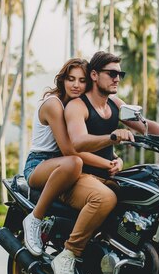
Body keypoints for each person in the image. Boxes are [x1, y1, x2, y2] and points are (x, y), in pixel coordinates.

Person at [54, 50, 159, 274]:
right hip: (80, 177)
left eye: (120, 74)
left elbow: (146, 125)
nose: (117, 78)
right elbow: (78, 141)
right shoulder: (77, 106)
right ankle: (68, 255)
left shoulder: (115, 103)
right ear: (94, 75)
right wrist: (112, 136)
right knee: (104, 199)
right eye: (112, 73)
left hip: (108, 175)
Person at [22, 58, 120, 257]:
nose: (76, 85)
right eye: (71, 79)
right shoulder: (54, 105)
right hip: (40, 164)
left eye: (82, 80)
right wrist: (107, 164)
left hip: (64, 165)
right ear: (62, 80)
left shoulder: (79, 106)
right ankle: (35, 218)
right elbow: (70, 150)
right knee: (74, 162)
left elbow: (90, 144)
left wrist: (116, 159)